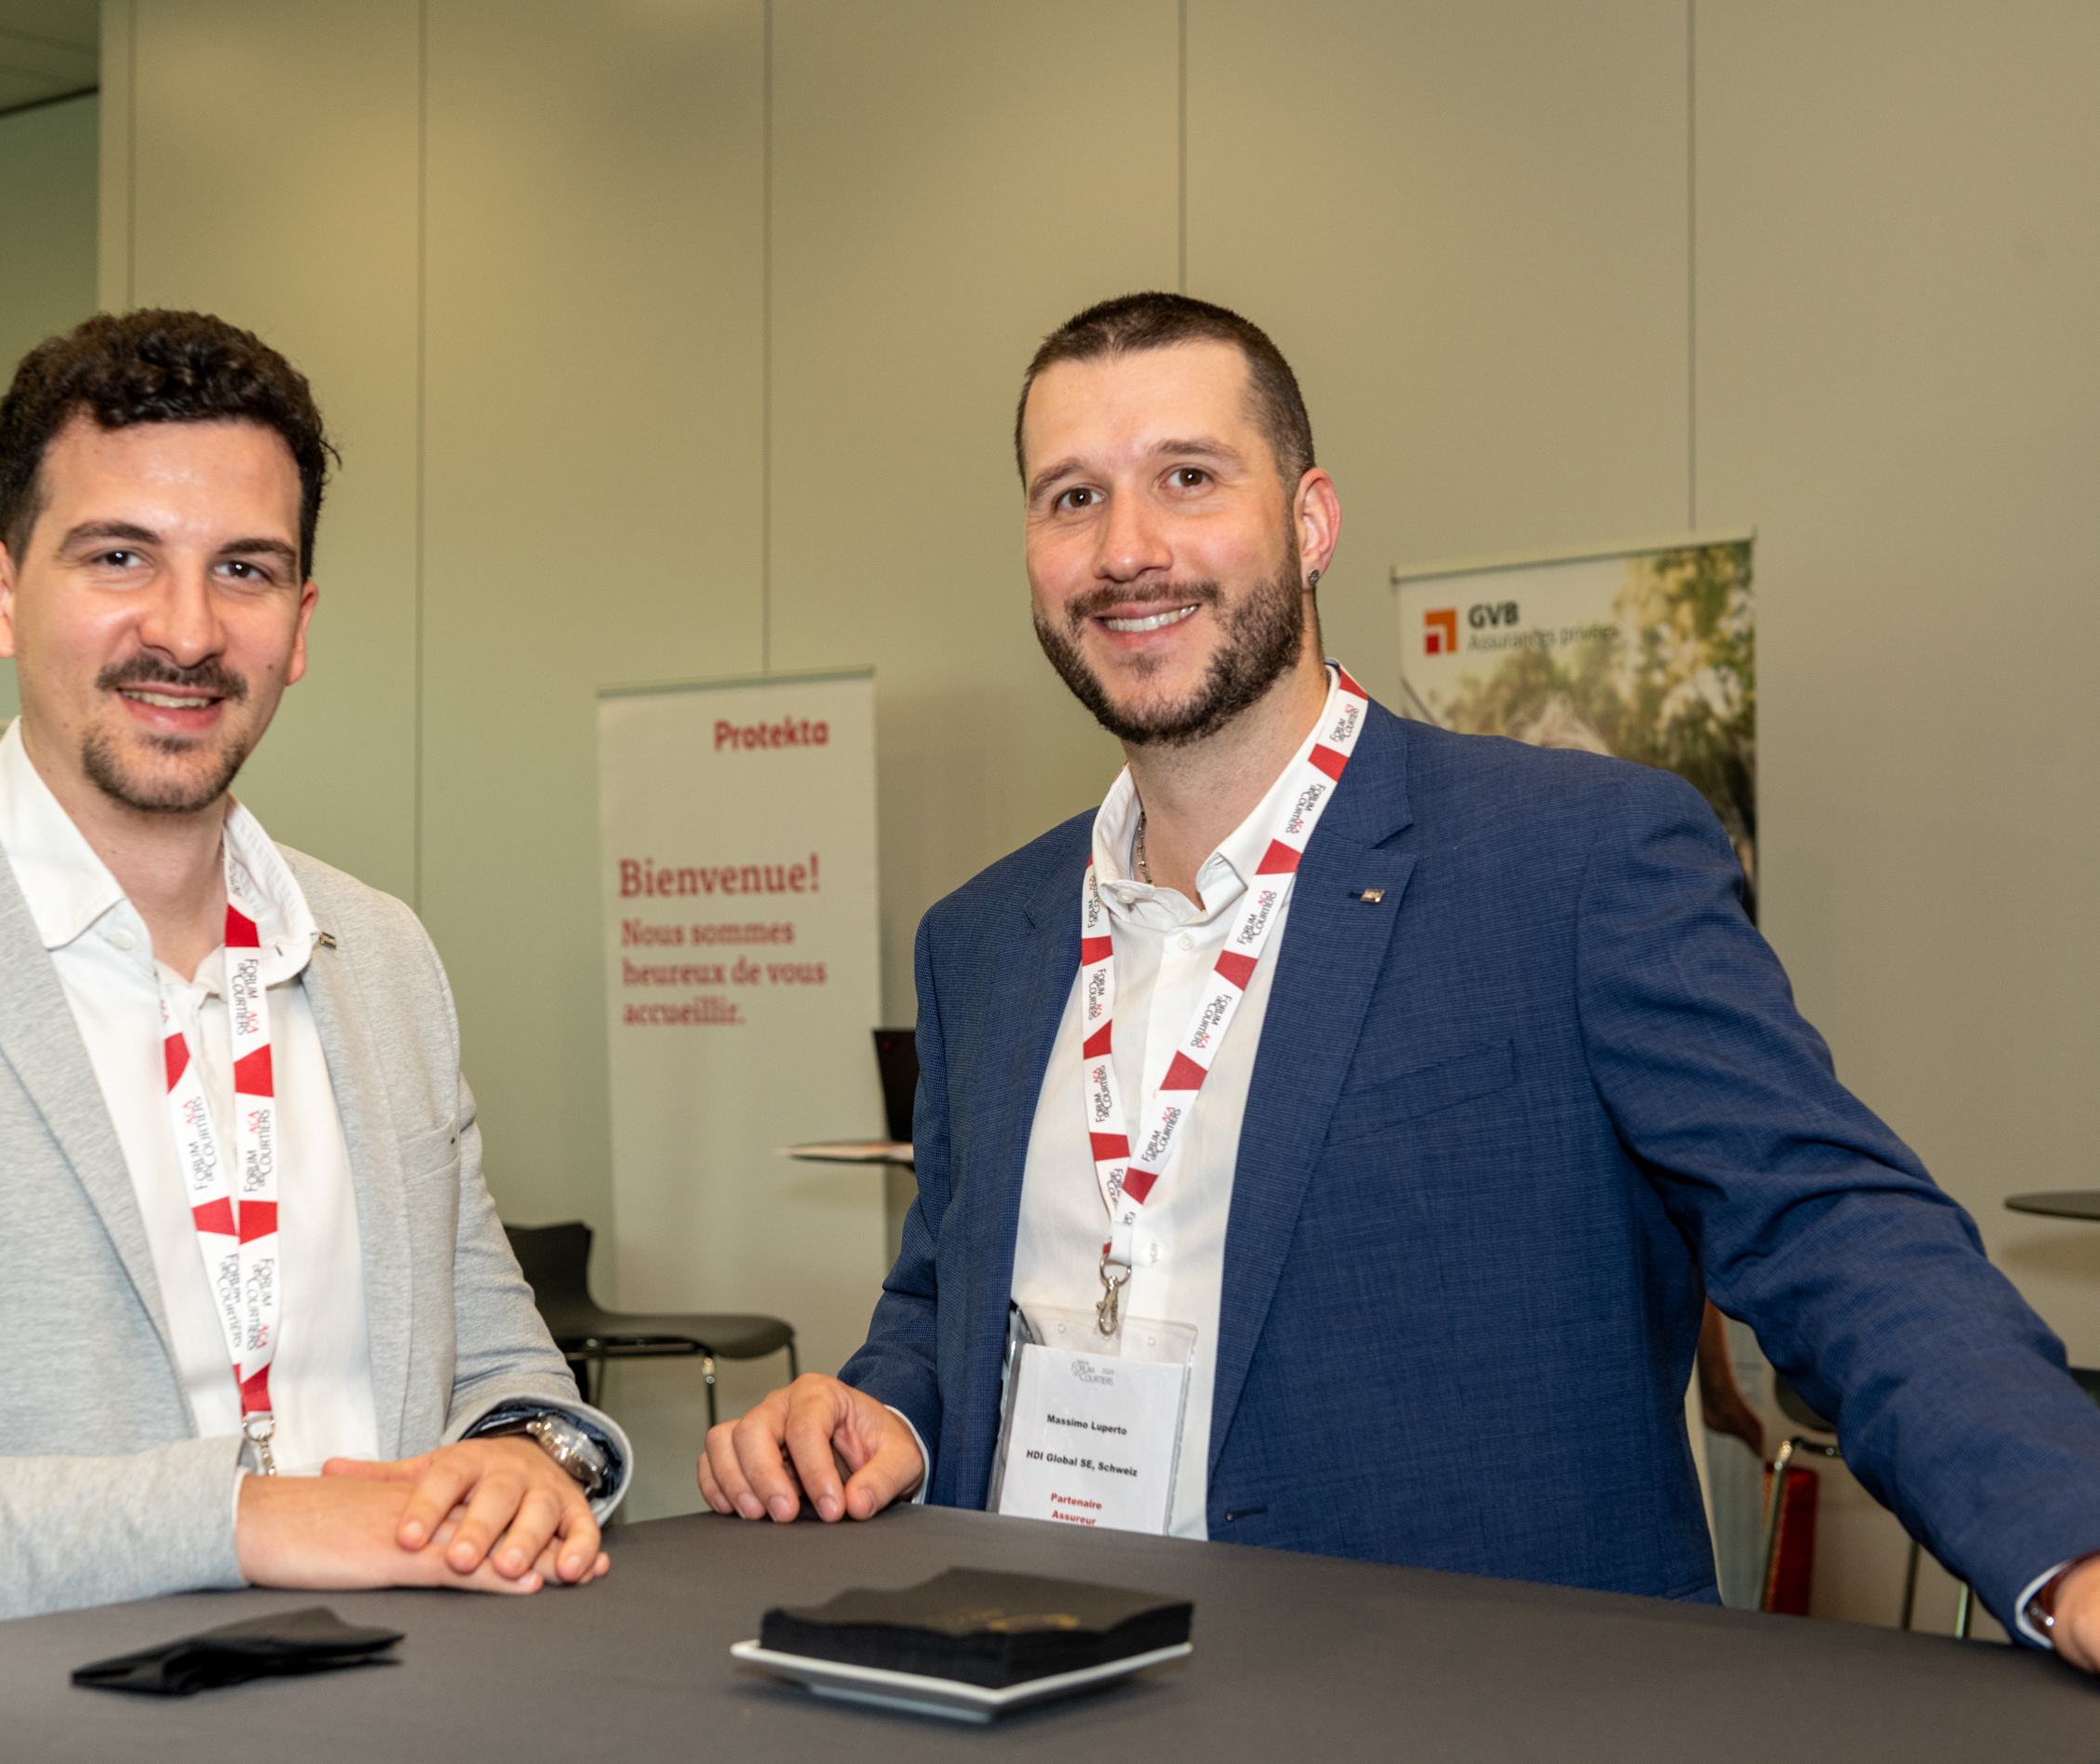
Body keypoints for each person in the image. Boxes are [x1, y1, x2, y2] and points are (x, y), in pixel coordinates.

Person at [699, 291, 2100, 1662]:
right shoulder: (981, 938)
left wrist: (2070, 1539)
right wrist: (886, 1408)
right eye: (1072, 497)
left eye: (1187, 477)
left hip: (1472, 1700)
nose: (1126, 549)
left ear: (1310, 523)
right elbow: (945, 1291)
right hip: (1042, 1673)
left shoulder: (1570, 861)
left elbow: (1824, 1223)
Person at [0, 310, 629, 1650]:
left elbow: (500, 1373)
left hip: (389, 1711)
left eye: (245, 569)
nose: (187, 631)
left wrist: (530, 1458)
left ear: (300, 624)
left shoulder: (378, 955)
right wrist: (242, 1521)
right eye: (118, 556)